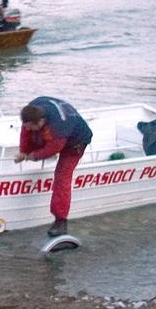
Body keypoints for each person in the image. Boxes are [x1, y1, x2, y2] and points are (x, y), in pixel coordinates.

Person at [14, 97, 92, 237]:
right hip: (57, 131)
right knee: (32, 133)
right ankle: (60, 219)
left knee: (62, 177)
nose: (27, 128)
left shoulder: (58, 127)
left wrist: (30, 157)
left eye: (30, 126)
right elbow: (26, 131)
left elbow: (52, 149)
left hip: (76, 142)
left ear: (42, 121)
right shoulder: (33, 110)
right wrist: (23, 151)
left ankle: (61, 221)